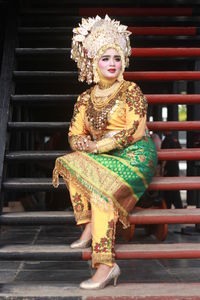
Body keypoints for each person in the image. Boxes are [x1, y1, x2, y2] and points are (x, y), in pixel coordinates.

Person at [52, 15, 157, 290]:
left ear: (123, 61)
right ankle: (88, 224)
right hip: (104, 155)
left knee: (100, 193)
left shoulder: (131, 91)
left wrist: (97, 146)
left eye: (117, 58)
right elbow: (74, 133)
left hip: (135, 155)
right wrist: (83, 145)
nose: (112, 63)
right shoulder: (85, 99)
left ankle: (106, 264)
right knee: (68, 161)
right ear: (93, 63)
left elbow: (133, 131)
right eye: (105, 58)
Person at [161, 131, 183, 209]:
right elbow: (181, 152)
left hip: (168, 168)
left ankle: (168, 205)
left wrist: (162, 169)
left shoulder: (165, 141)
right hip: (175, 167)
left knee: (168, 187)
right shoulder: (175, 140)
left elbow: (164, 158)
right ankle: (178, 205)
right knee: (175, 186)